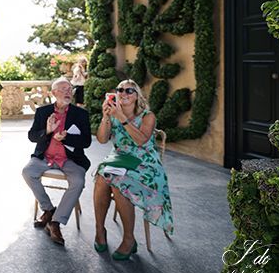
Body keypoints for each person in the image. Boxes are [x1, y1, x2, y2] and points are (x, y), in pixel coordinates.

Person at [93, 79, 174, 260]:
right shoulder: (113, 114)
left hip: (145, 162)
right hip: (119, 158)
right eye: (120, 90)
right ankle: (100, 230)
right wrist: (106, 116)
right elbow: (102, 140)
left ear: (137, 96)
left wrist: (121, 117)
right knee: (101, 178)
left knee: (119, 184)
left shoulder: (147, 116)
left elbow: (141, 141)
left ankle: (129, 239)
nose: (124, 93)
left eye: (129, 90)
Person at [21, 77, 92, 245]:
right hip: (45, 156)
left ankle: (55, 222)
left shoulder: (81, 114)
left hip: (70, 159)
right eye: (63, 89)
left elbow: (86, 142)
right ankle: (48, 209)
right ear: (54, 93)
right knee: (27, 172)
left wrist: (65, 139)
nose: (68, 92)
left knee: (78, 181)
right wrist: (47, 130)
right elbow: (32, 136)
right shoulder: (42, 112)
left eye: (70, 89)